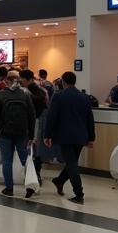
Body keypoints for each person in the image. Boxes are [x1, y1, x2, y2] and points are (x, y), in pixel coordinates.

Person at [43, 71, 95, 205]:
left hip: (64, 135)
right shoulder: (84, 97)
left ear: (63, 82)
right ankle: (59, 181)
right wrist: (91, 137)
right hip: (81, 136)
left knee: (71, 164)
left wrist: (47, 135)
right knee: (72, 162)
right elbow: (90, 118)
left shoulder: (59, 96)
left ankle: (79, 194)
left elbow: (52, 117)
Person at [0, 70, 38, 198]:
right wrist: (31, 135)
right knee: (25, 159)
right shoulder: (25, 95)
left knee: (7, 160)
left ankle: (9, 188)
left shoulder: (0, 95)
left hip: (5, 132)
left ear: (7, 80)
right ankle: (30, 186)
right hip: (22, 132)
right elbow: (32, 116)